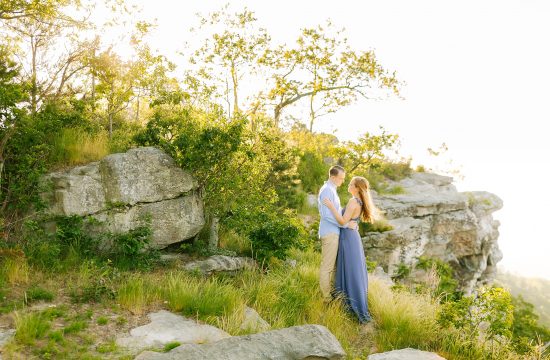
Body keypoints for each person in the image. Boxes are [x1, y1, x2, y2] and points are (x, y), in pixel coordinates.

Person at [322, 176, 376, 323]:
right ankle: (349, 302)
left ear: (357, 188)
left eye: (351, 184)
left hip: (349, 239)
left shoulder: (353, 202)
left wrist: (331, 206)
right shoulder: (358, 201)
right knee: (351, 270)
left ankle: (351, 305)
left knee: (350, 270)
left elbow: (342, 221)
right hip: (352, 237)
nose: (349, 185)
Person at [317, 166, 357, 303]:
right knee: (327, 267)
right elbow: (327, 216)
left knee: (332, 267)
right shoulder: (327, 190)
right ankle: (326, 298)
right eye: (341, 178)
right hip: (329, 233)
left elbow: (337, 212)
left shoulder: (332, 190)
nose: (342, 181)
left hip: (334, 232)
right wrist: (346, 225)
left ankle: (331, 294)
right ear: (333, 177)